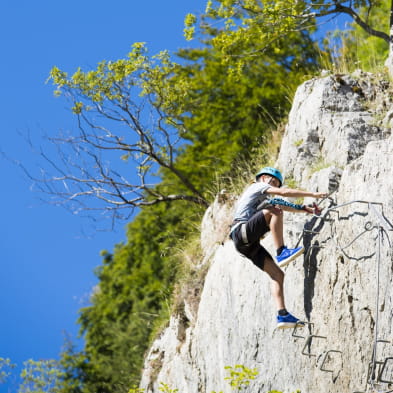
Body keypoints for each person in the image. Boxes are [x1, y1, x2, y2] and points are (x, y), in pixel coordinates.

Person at [229, 167, 327, 329]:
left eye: (277, 183)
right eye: (273, 182)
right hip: (241, 232)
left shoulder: (263, 199)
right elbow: (283, 194)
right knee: (275, 211)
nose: (275, 186)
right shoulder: (257, 187)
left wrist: (305, 209)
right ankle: (281, 251)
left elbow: (281, 202)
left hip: (246, 245)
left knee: (277, 274)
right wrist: (313, 194)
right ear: (263, 178)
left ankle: (282, 315)